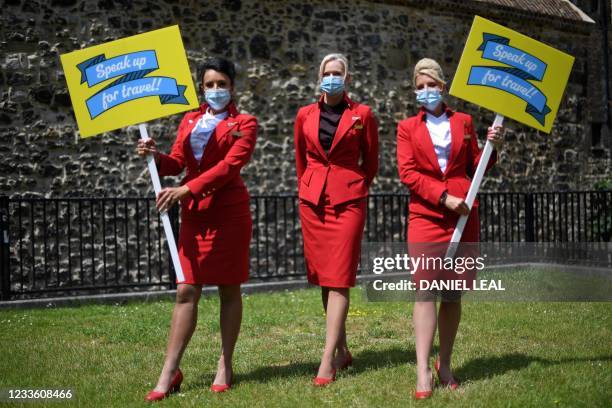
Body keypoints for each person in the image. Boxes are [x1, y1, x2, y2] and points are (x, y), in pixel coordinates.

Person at [136, 57, 257, 401]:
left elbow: (229, 167)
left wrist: (185, 189)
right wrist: (155, 156)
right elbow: (178, 162)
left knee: (228, 289)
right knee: (186, 289)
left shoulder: (245, 123)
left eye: (222, 84)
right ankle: (169, 371)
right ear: (200, 88)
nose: (216, 90)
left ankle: (226, 363)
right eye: (209, 84)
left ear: (232, 86)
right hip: (195, 215)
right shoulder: (189, 120)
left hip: (229, 213)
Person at [396, 58, 503, 399]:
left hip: (463, 216)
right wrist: (443, 198)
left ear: (443, 87)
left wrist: (493, 146)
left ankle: (445, 363)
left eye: (431, 84)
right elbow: (408, 173)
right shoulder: (406, 128)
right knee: (425, 290)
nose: (426, 90)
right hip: (427, 215)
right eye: (420, 86)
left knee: (453, 292)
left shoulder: (466, 122)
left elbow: (475, 165)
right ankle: (423, 369)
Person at [294, 53, 379, 386]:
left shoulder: (363, 114)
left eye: (337, 73)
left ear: (348, 78)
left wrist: (353, 186)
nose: (332, 78)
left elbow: (370, 161)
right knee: (324, 276)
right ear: (319, 76)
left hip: (349, 200)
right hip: (313, 201)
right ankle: (341, 348)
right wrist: (309, 188)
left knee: (340, 276)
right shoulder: (304, 115)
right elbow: (301, 159)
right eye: (327, 73)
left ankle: (327, 360)